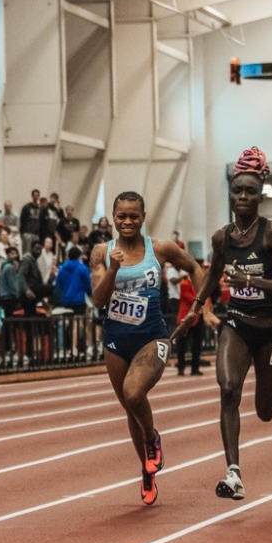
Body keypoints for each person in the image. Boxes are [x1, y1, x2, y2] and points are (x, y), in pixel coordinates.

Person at [183, 147, 272, 503]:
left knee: (265, 411)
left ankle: (267, 394)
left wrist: (253, 279)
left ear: (260, 195)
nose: (243, 197)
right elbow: (214, 272)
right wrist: (198, 306)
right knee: (229, 388)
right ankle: (233, 473)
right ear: (230, 194)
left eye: (250, 191)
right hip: (238, 324)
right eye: (237, 191)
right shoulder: (222, 238)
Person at [90, 191, 203, 506]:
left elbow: (194, 267)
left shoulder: (161, 248)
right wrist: (112, 270)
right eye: (122, 216)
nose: (127, 222)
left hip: (152, 336)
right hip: (116, 339)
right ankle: (147, 471)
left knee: (134, 393)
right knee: (130, 407)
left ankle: (152, 439)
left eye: (133, 216)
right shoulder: (101, 252)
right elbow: (98, 300)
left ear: (143, 216)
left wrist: (201, 306)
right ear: (113, 217)